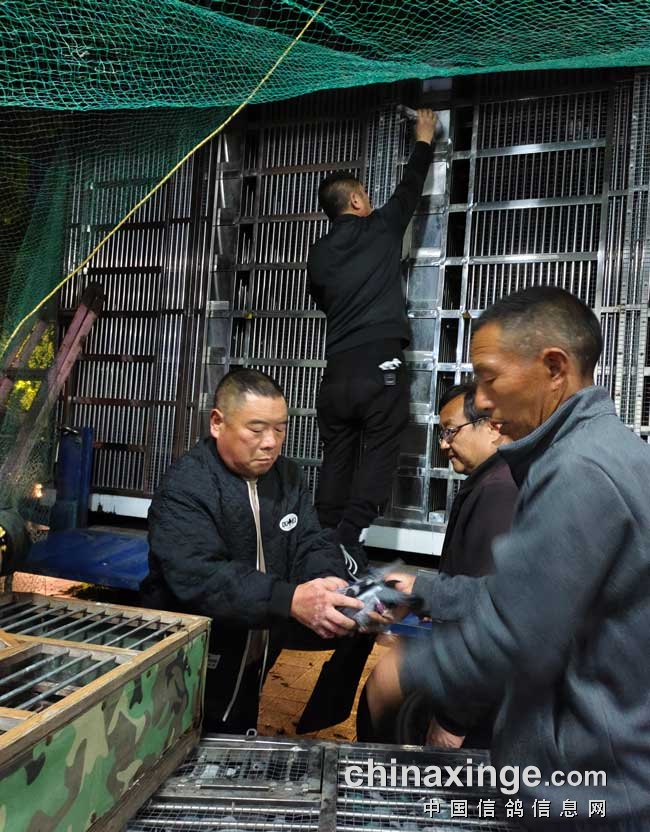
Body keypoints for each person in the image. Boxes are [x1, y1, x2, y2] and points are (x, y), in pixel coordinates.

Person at [363, 286, 650, 832]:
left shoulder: (579, 470)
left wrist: (409, 670)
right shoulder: (595, 451)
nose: (482, 400)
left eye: (489, 378)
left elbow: (519, 635)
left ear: (554, 368)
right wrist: (427, 590)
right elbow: (531, 598)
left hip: (592, 812)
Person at [141, 368, 366, 734]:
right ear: (217, 423)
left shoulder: (287, 477)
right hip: (189, 657)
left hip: (256, 648)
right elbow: (203, 577)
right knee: (178, 737)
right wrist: (289, 599)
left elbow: (310, 540)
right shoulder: (187, 486)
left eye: (280, 429)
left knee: (238, 725)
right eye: (257, 429)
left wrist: (326, 580)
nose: (270, 442)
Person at [307, 108, 438, 573]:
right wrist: (424, 137)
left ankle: (323, 540)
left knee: (338, 454)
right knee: (383, 443)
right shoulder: (379, 228)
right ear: (357, 200)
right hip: (379, 362)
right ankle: (351, 536)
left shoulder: (319, 253)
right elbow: (410, 187)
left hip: (336, 372)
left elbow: (321, 298)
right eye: (366, 194)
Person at [357, 381, 518, 749]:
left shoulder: (498, 492)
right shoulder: (488, 481)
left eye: (450, 431)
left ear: (491, 427)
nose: (443, 444)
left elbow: (489, 618)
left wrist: (452, 722)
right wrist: (420, 597)